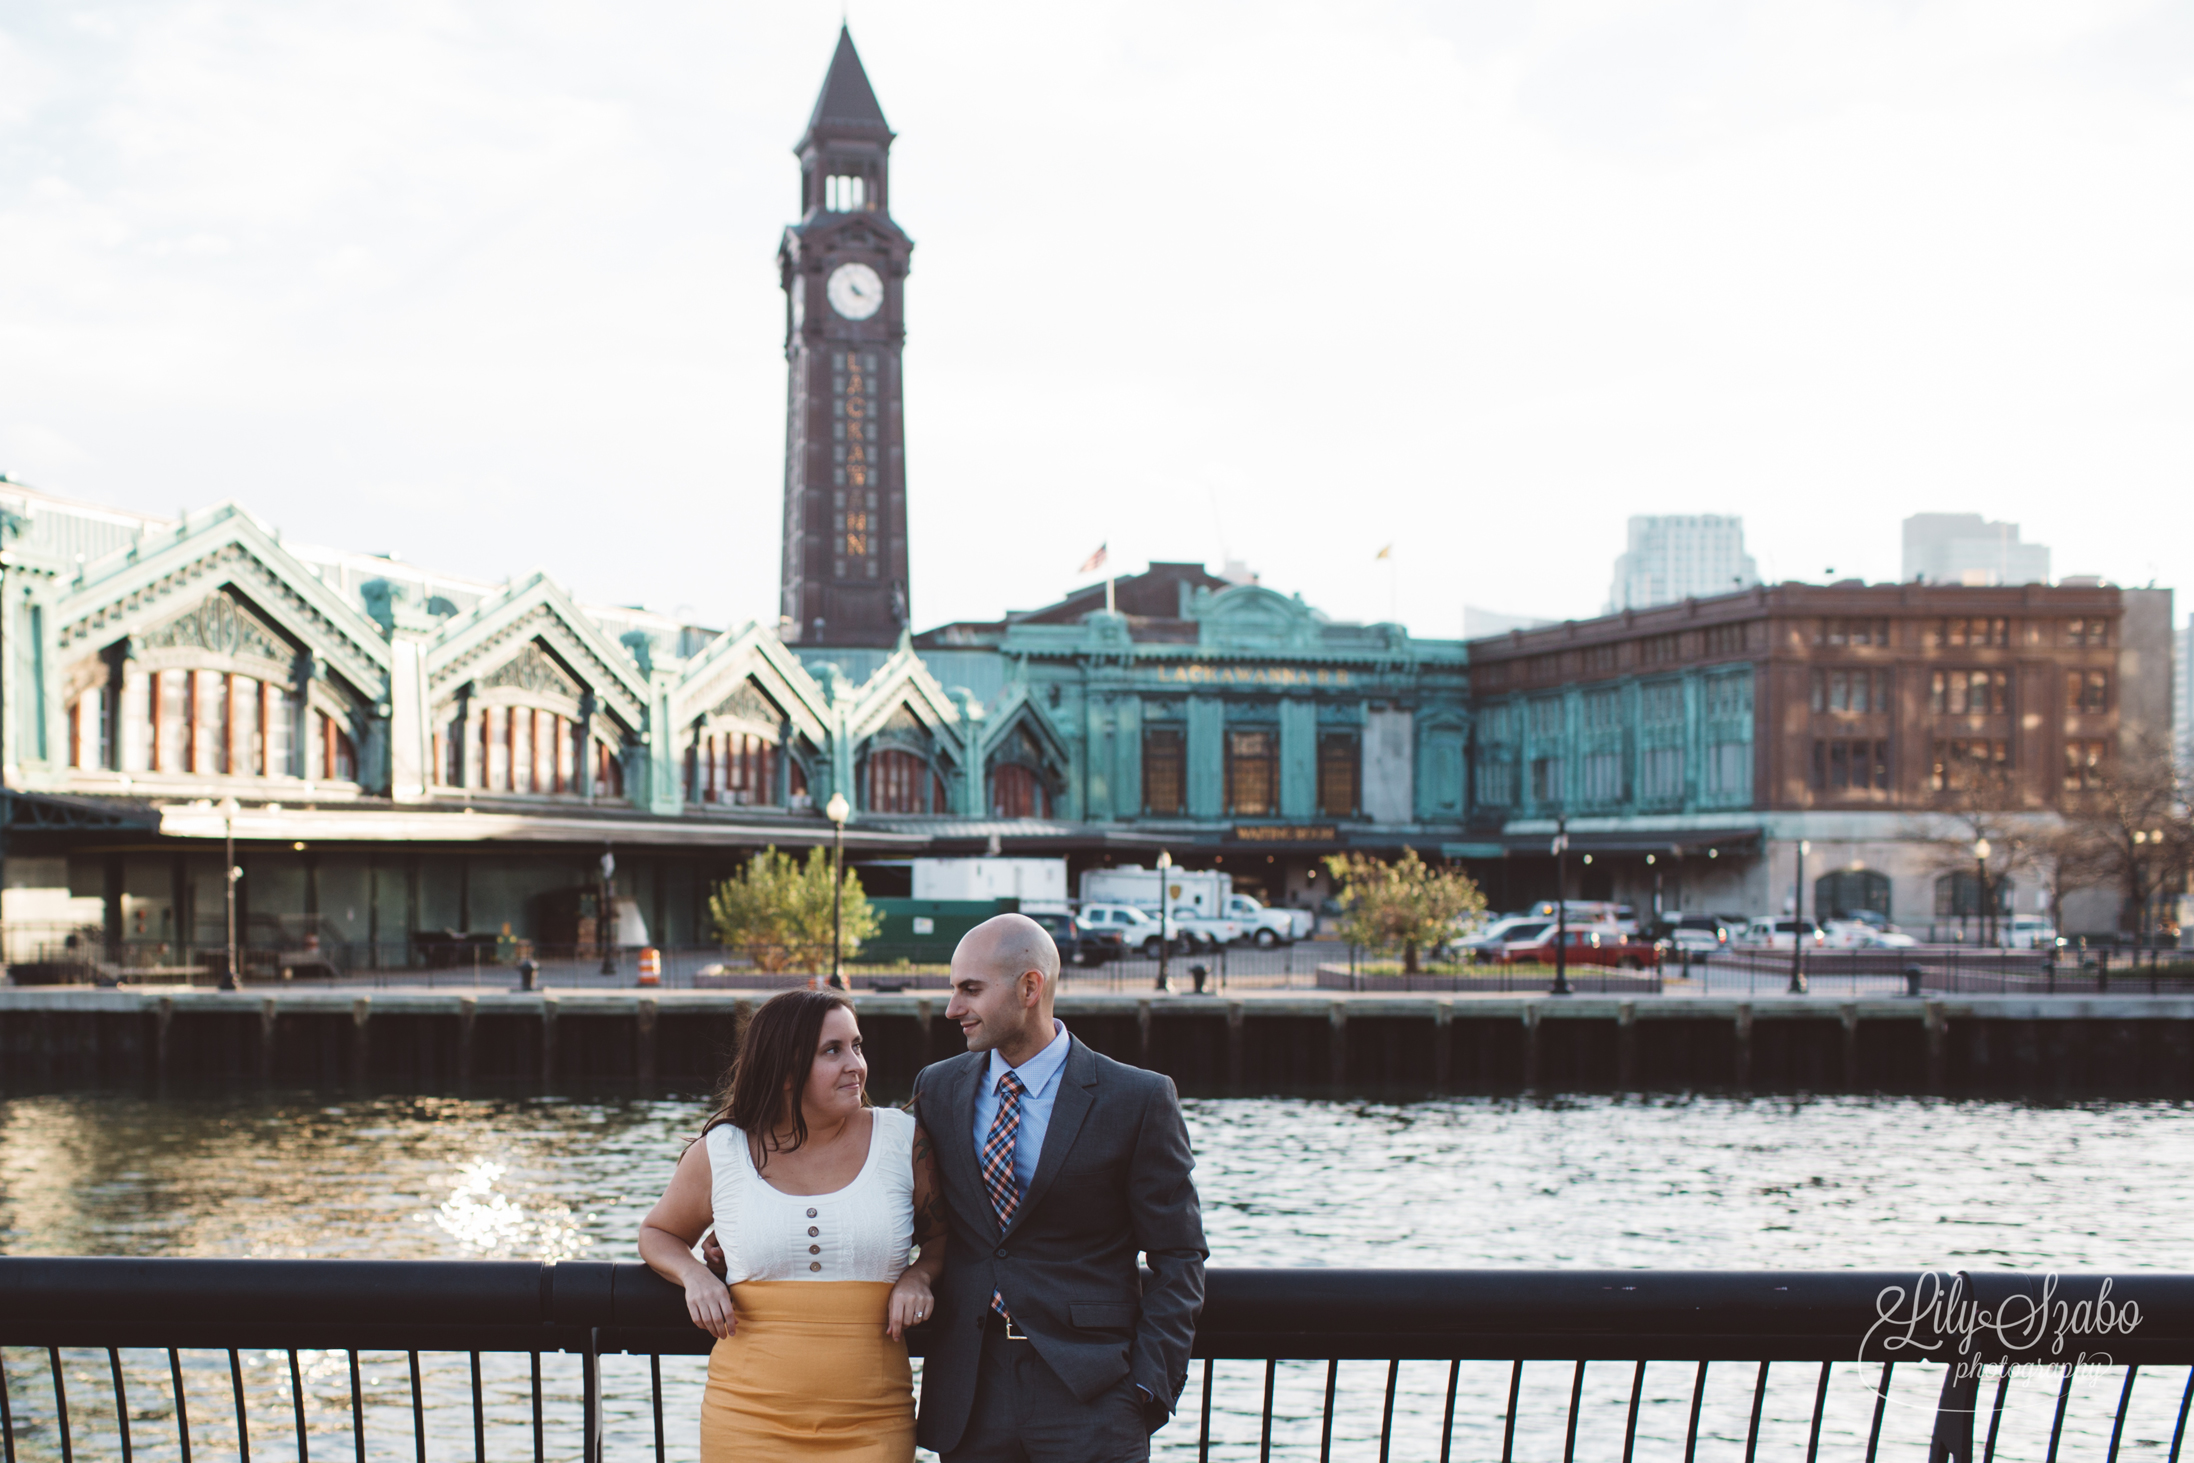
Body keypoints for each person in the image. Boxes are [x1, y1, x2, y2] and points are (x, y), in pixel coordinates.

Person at [912, 912, 1207, 1462]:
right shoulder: (938, 1087)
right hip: (970, 1393)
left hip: (1092, 1393)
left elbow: (1179, 1252)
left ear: (1030, 988)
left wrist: (1148, 1388)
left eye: (970, 990)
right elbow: (905, 1204)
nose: (953, 1008)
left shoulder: (1136, 1099)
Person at [639, 988, 945, 1463]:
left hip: (874, 1423)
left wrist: (919, 1275)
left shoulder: (903, 1141)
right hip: (745, 1421)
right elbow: (657, 1234)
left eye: (857, 1045)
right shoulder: (722, 1153)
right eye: (832, 1050)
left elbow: (943, 1238)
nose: (855, 1064)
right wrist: (694, 1277)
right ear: (784, 1070)